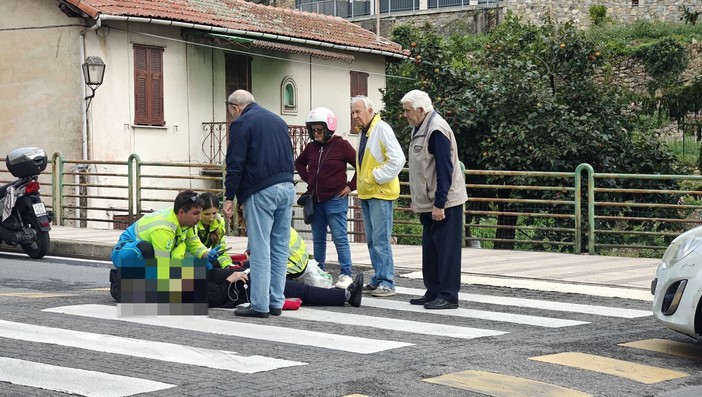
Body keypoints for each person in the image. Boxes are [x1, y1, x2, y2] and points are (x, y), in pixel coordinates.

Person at [194, 197, 363, 311]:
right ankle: (346, 295)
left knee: (300, 290)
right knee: (302, 291)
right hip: (247, 286)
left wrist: (226, 265)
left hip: (249, 279)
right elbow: (214, 298)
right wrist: (231, 278)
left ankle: (345, 295)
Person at [222, 89, 296, 318]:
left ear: (235, 108)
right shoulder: (278, 120)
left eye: (231, 113)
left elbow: (235, 163)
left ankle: (260, 305)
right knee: (280, 246)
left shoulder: (242, 123)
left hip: (261, 189)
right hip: (287, 186)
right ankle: (276, 302)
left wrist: (229, 197)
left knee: (260, 246)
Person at [401, 89, 468, 310]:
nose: (405, 115)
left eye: (408, 110)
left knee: (446, 250)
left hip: (444, 201)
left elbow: (444, 168)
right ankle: (433, 291)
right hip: (428, 201)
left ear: (421, 110)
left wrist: (440, 203)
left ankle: (448, 295)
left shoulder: (436, 129)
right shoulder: (420, 127)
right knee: (430, 249)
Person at [109, 190, 221, 302]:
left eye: (199, 213)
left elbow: (194, 245)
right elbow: (162, 265)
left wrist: (207, 254)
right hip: (127, 252)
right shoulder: (163, 228)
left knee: (207, 265)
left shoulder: (187, 221)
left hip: (153, 258)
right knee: (146, 250)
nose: (199, 218)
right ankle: (121, 286)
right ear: (181, 212)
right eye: (195, 213)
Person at [294, 107, 357, 289]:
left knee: (340, 237)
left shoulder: (341, 145)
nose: (316, 133)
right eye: (313, 130)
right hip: (316, 200)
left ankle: (346, 274)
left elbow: (360, 165)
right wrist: (309, 180)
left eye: (319, 130)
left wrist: (350, 186)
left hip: (336, 199)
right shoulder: (311, 147)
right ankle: (319, 271)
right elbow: (299, 162)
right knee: (318, 239)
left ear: (329, 128)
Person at [350, 95, 405, 297]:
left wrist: (375, 177)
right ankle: (379, 277)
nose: (355, 116)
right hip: (368, 192)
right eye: (353, 112)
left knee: (380, 239)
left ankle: (387, 281)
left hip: (379, 192)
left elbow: (398, 158)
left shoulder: (381, 128)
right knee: (373, 240)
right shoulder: (364, 132)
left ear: (370, 111)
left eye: (358, 111)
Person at [196, 192, 232, 269]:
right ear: (198, 211)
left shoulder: (219, 222)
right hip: (184, 262)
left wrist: (227, 266)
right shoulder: (192, 223)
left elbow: (221, 250)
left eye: (214, 213)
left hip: (202, 259)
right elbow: (189, 250)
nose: (211, 218)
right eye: (207, 214)